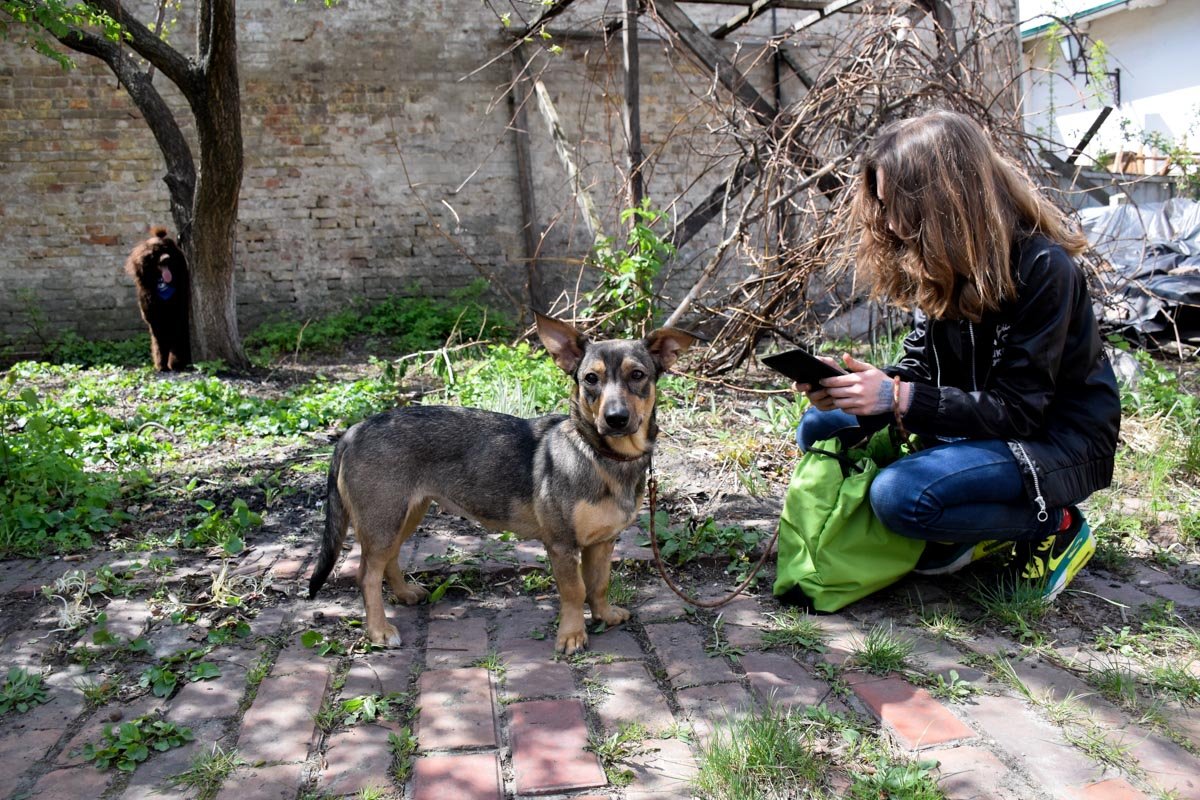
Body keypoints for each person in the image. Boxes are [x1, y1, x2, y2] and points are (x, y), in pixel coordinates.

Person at [794, 110, 1121, 600]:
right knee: (820, 427)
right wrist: (854, 388)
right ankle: (961, 524)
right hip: (973, 426)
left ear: (943, 199)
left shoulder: (1043, 269)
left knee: (898, 497)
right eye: (880, 205)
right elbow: (920, 368)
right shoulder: (943, 261)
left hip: (1054, 442)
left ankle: (1056, 525)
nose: (886, 221)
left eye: (894, 205)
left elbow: (1019, 410)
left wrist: (898, 398)